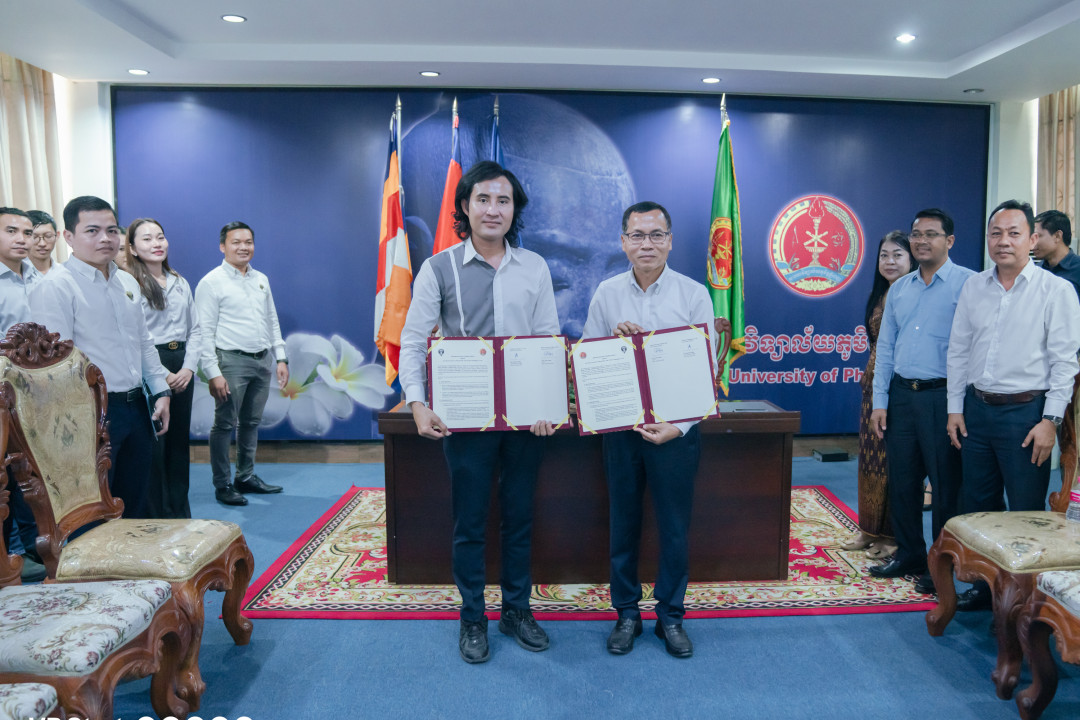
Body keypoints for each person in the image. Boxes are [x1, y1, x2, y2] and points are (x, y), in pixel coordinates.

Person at [399, 160, 560, 664]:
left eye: (503, 200)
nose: (494, 209)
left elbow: (548, 340)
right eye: (483, 200)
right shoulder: (438, 267)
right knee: (469, 522)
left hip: (525, 421)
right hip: (464, 419)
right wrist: (418, 403)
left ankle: (516, 610)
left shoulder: (534, 267)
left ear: (515, 210)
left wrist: (549, 404)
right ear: (465, 207)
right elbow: (413, 340)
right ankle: (472, 617)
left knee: (519, 517)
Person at [582, 201, 717, 659]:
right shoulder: (606, 294)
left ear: (670, 241)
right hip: (621, 431)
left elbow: (705, 373)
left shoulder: (693, 295)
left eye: (656, 235)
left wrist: (679, 427)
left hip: (676, 434)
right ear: (623, 242)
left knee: (674, 527)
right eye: (637, 235)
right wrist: (612, 343)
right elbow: (588, 362)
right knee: (623, 524)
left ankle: (671, 616)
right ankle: (626, 613)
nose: (647, 244)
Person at [946, 200, 1080, 610]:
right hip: (976, 412)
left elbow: (1065, 362)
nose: (1003, 241)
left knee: (1024, 512)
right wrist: (955, 408)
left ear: (1032, 239)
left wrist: (1050, 421)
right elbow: (958, 350)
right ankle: (985, 590)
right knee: (978, 506)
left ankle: (1021, 602)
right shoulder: (974, 287)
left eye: (1014, 233)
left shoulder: (1056, 290)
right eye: (996, 233)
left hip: (1026, 416)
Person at [28, 196, 170, 519]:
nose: (105, 238)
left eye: (112, 230)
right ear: (68, 237)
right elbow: (55, 366)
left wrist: (160, 390)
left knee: (134, 503)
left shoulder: (126, 281)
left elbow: (143, 341)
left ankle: (131, 554)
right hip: (91, 411)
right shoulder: (56, 287)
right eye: (92, 231)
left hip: (137, 406)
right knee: (94, 510)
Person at [868, 208, 974, 595]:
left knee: (946, 486)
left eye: (931, 234)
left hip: (942, 399)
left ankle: (941, 563)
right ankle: (910, 553)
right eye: (916, 234)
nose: (921, 241)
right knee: (903, 481)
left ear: (950, 241)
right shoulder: (900, 289)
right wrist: (880, 401)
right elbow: (886, 348)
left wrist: (957, 405)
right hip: (901, 396)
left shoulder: (968, 284)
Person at [194, 221, 288, 506]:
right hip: (230, 362)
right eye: (236, 242)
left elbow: (271, 320)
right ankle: (222, 484)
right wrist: (213, 373)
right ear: (222, 246)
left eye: (248, 242)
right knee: (224, 424)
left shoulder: (261, 279)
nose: (243, 247)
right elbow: (204, 333)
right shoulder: (211, 282)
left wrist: (281, 357)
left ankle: (245, 476)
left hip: (262, 360)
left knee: (251, 422)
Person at [125, 218, 203, 518]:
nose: (156, 243)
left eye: (160, 237)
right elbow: (136, 338)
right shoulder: (129, 284)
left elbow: (195, 330)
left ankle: (180, 512)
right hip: (151, 365)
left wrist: (189, 368)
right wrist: (162, 374)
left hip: (182, 363)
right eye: (146, 239)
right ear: (133, 248)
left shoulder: (179, 281)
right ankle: (158, 517)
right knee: (155, 444)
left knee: (179, 443)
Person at [843, 231, 914, 560]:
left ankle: (892, 535)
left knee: (892, 465)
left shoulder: (913, 293)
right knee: (869, 463)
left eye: (897, 255)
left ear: (912, 258)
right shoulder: (882, 293)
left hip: (898, 391)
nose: (890, 261)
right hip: (872, 388)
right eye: (884, 255)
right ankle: (869, 530)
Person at [0, 207, 46, 580]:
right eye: (11, 231)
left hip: (40, 392)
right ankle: (10, 555)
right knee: (6, 478)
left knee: (33, 472)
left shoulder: (40, 278)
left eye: (27, 232)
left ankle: (35, 546)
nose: (22, 239)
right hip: (4, 394)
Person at [1032, 209, 1080, 299]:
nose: (1032, 241)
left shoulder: (1078, 270)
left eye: (1037, 236)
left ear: (1057, 236)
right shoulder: (1036, 271)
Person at [26, 210, 57, 275]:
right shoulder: (13, 274)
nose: (42, 244)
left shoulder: (66, 273)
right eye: (34, 237)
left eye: (48, 236)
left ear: (57, 236)